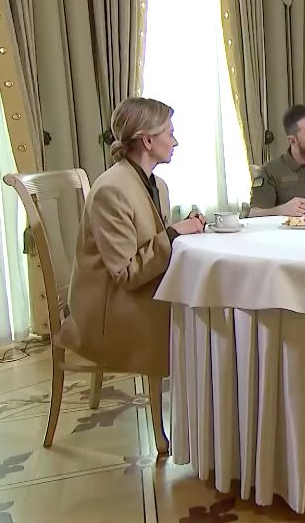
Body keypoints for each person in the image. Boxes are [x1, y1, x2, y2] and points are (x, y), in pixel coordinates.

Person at [61, 97, 204, 376]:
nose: (175, 142)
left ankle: (202, 397)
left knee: (207, 311)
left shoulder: (157, 185)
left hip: (139, 292)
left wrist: (180, 230)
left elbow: (151, 243)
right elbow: (126, 274)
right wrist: (173, 234)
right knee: (203, 325)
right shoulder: (112, 190)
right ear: (148, 141)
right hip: (111, 311)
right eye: (170, 133)